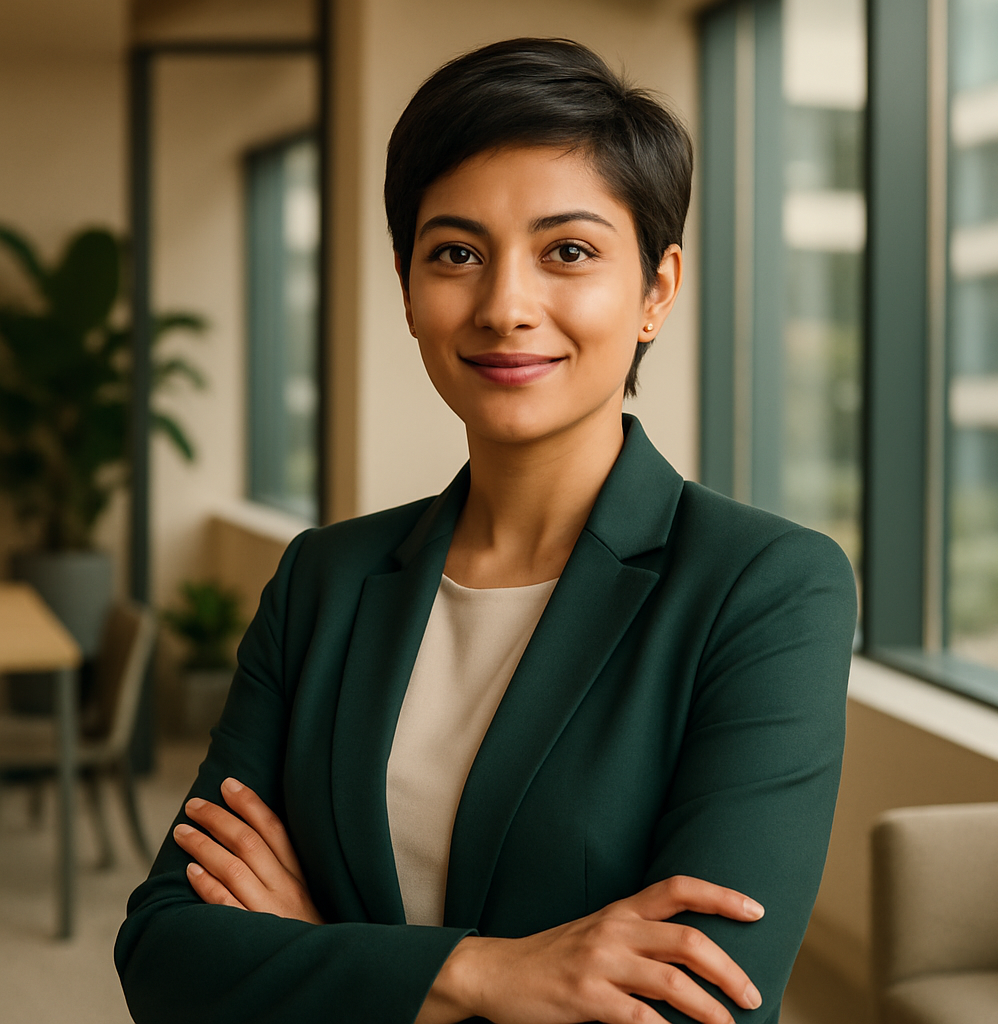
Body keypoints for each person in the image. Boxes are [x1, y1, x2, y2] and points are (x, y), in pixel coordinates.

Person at [115, 38, 856, 1024]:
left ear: (657, 289)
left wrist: (325, 961)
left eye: (569, 252)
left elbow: (695, 1010)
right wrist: (482, 976)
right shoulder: (324, 580)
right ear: (408, 285)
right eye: (456, 253)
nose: (506, 306)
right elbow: (165, 951)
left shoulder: (765, 587)